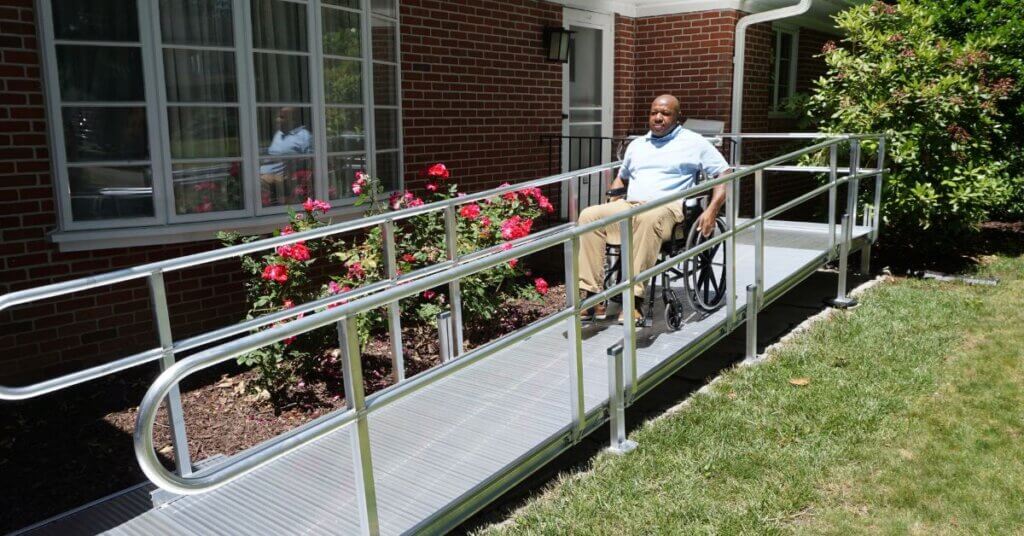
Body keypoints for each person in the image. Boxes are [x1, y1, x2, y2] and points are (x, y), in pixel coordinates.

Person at [578, 94, 730, 323]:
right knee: (589, 216)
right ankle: (592, 296)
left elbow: (724, 174)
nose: (658, 118)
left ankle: (634, 300)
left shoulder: (695, 142)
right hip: (631, 206)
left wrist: (712, 210)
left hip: (669, 210)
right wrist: (613, 198)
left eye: (666, 113)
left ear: (678, 117)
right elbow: (622, 178)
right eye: (654, 113)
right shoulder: (637, 145)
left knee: (649, 218)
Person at [260, 107, 313, 205]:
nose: (277, 120)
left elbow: (311, 160)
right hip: (265, 174)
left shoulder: (304, 136)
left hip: (284, 177)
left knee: (255, 182)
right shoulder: (279, 134)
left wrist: (292, 170)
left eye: (282, 117)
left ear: (293, 119)